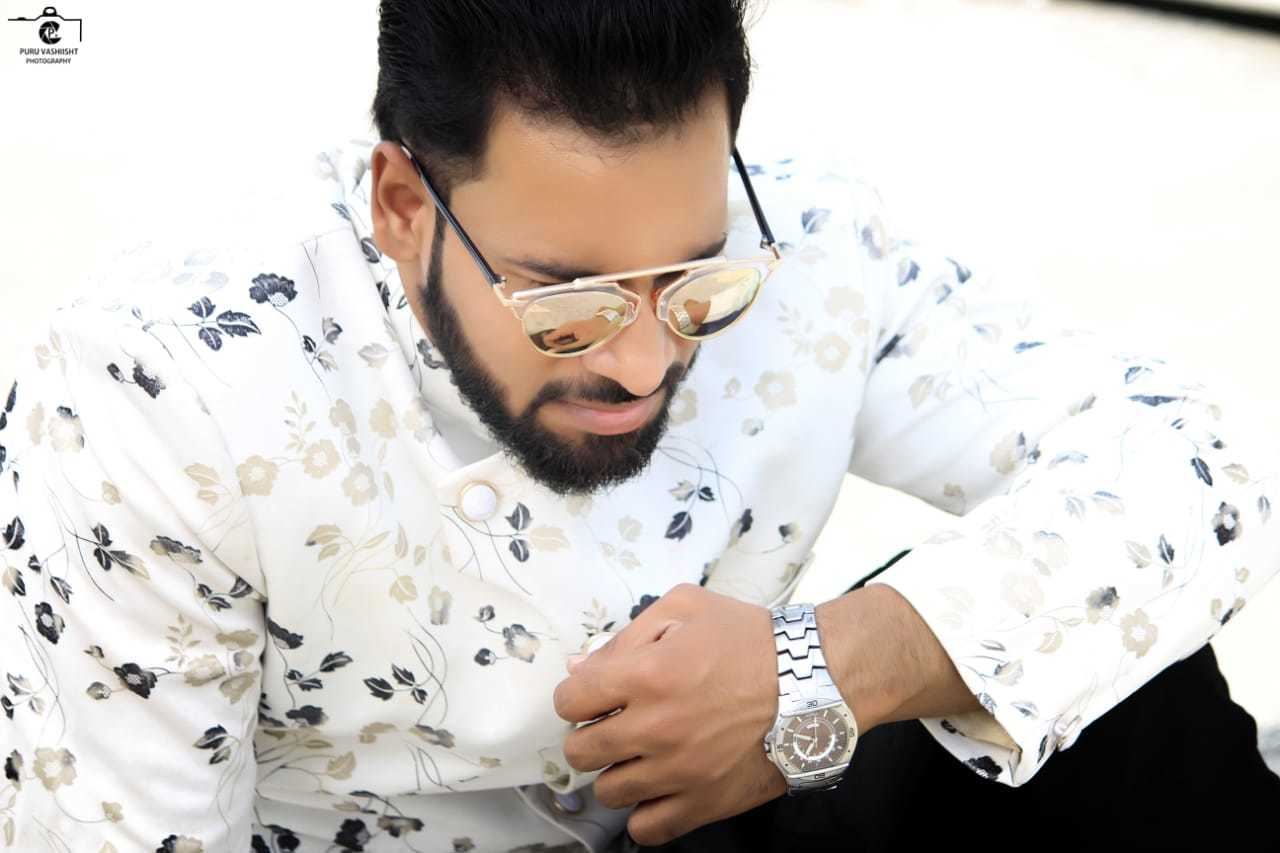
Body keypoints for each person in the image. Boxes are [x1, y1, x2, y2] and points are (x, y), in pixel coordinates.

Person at [0, 1, 1276, 851]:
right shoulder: (159, 390)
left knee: (1119, 694)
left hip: (705, 830)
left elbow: (1197, 465)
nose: (645, 357)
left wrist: (822, 672)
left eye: (695, 280)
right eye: (568, 302)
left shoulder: (811, 250)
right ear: (402, 205)